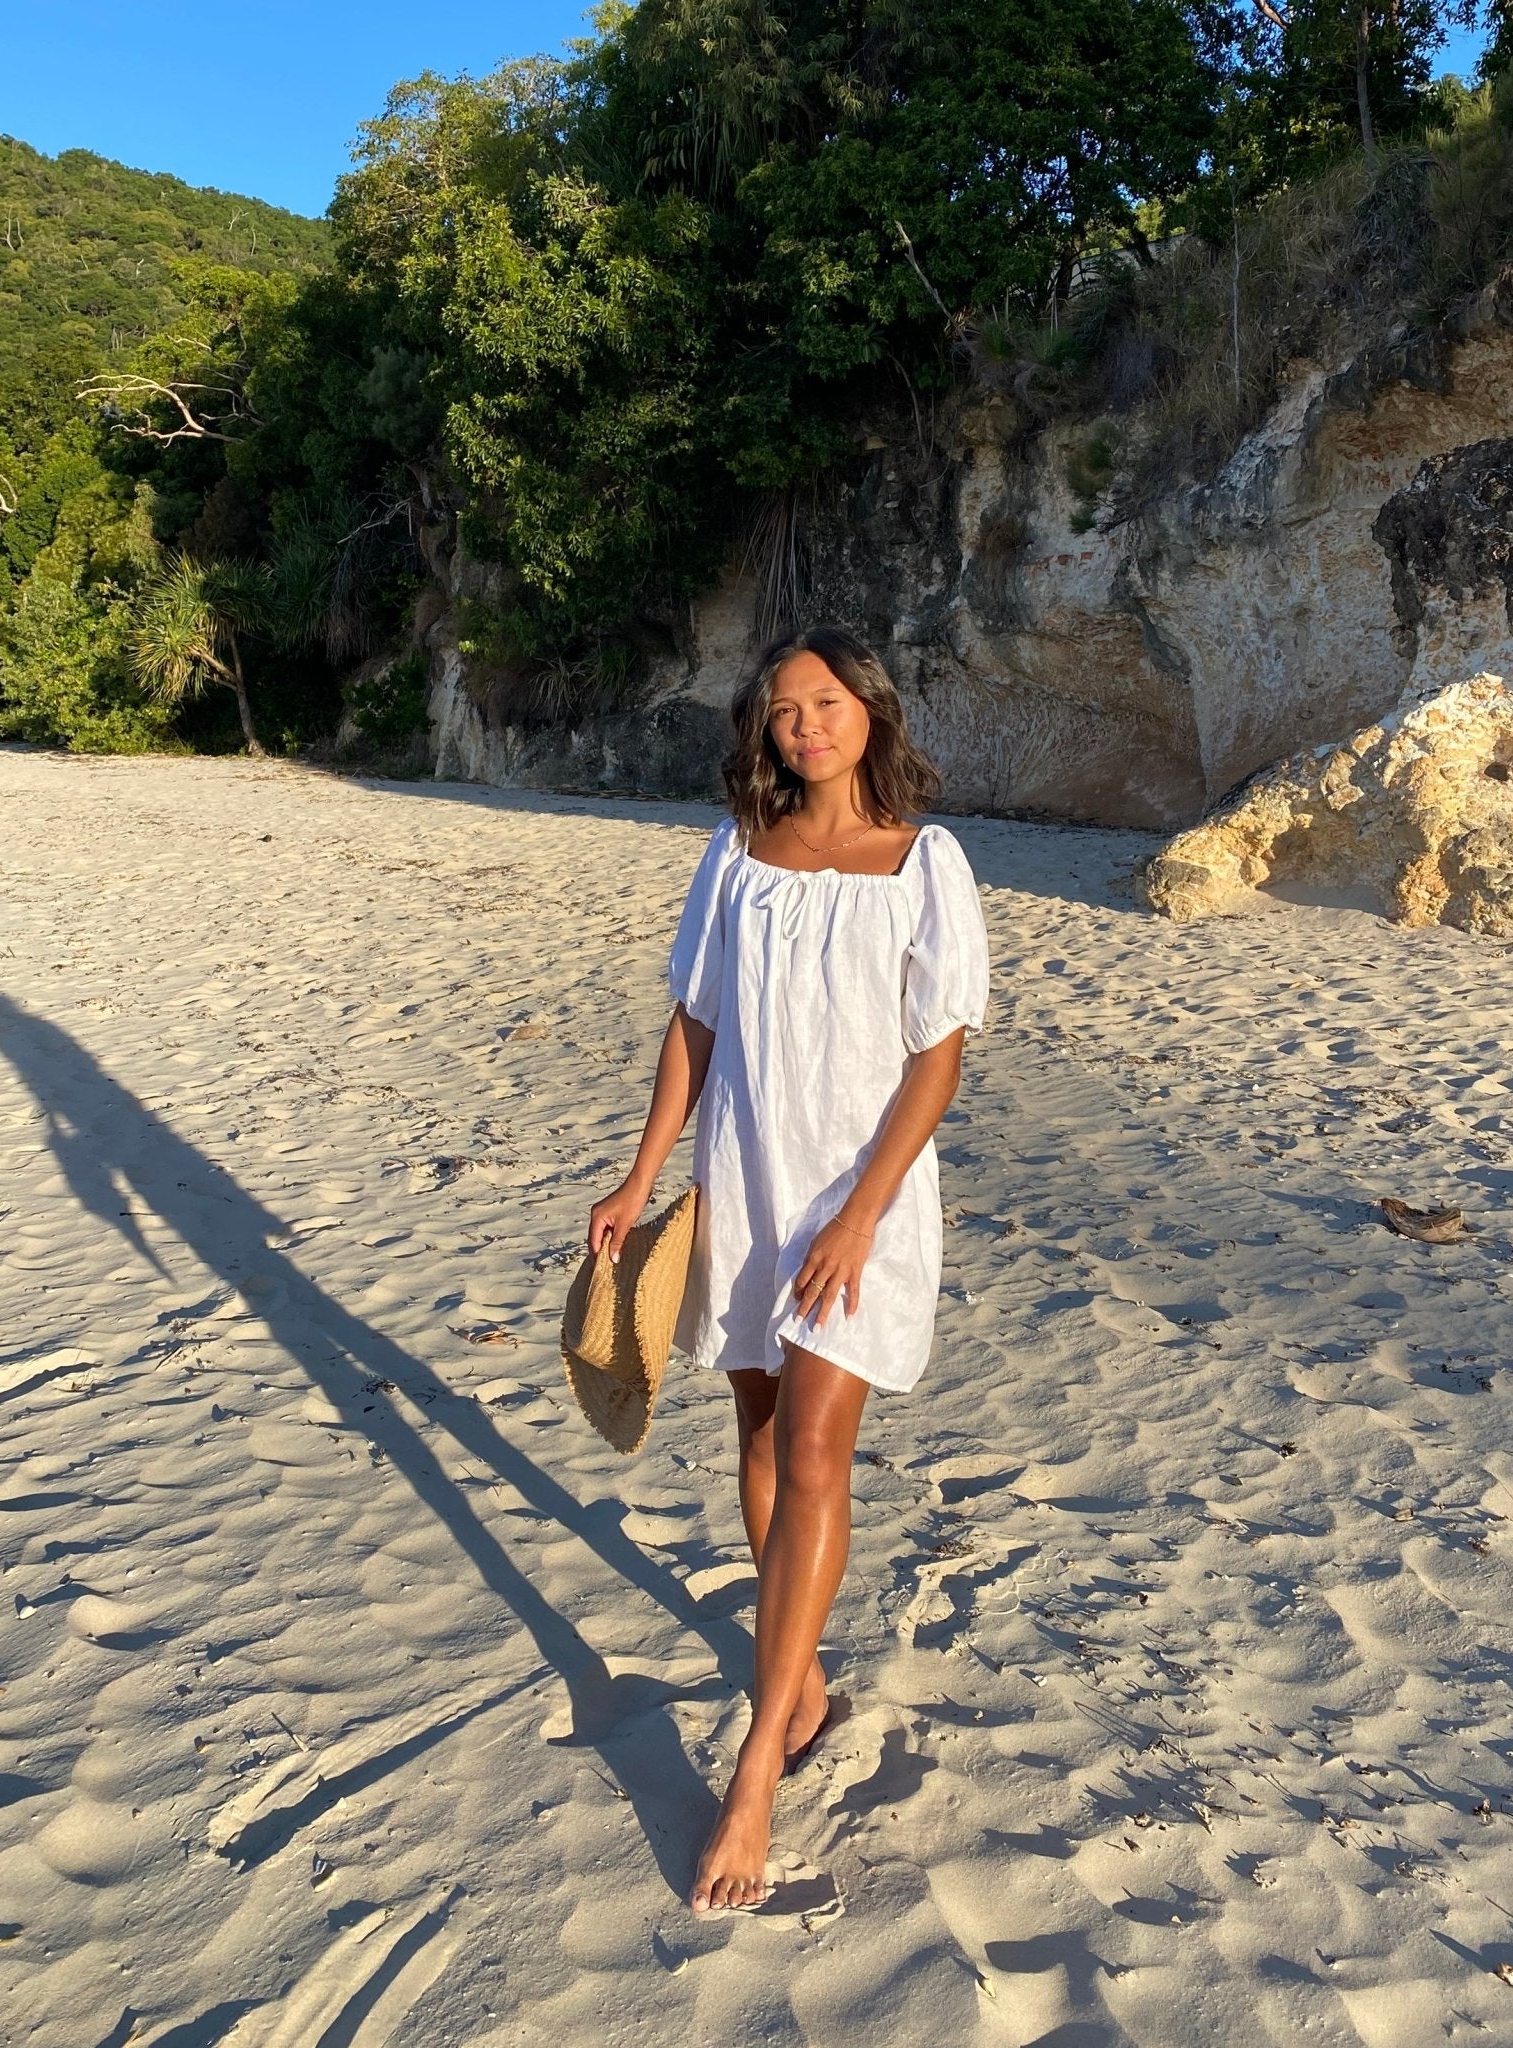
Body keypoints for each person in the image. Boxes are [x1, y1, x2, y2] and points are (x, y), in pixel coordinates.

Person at [588, 625, 990, 1913]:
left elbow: (938, 1058)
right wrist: (641, 1179)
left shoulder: (925, 862)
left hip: (861, 1197)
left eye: (826, 703)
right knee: (759, 1437)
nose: (805, 725)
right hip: (749, 1180)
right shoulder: (737, 856)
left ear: (871, 712)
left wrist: (861, 1218)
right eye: (783, 709)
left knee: (817, 1445)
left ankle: (757, 1767)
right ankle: (800, 1681)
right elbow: (695, 1025)